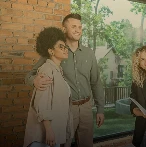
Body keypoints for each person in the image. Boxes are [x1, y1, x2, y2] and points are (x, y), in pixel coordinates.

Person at [25, 13, 105, 147]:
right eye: (73, 26)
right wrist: (34, 81)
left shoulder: (89, 53)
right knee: (63, 143)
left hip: (86, 108)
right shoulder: (56, 51)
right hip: (66, 109)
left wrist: (100, 109)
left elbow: (96, 82)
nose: (78, 30)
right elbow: (29, 75)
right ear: (64, 29)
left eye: (80, 27)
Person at [23, 27, 73, 147]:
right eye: (61, 46)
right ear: (51, 51)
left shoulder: (58, 70)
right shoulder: (47, 69)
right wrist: (49, 130)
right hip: (46, 135)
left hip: (55, 130)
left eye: (65, 46)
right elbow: (42, 103)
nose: (65, 49)